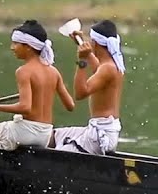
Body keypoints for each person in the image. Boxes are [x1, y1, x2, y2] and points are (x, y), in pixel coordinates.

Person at [0, 19, 75, 151]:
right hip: (45, 134)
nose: (12, 47)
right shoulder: (54, 71)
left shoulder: (23, 71)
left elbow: (25, 107)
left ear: (29, 46)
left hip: (26, 132)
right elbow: (70, 106)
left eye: (16, 43)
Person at [52, 19, 125, 155]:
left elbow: (80, 93)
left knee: (58, 153)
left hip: (100, 136)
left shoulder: (108, 68)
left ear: (95, 43)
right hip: (102, 131)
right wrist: (79, 41)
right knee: (52, 137)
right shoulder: (111, 65)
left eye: (91, 41)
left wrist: (82, 61)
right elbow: (97, 66)